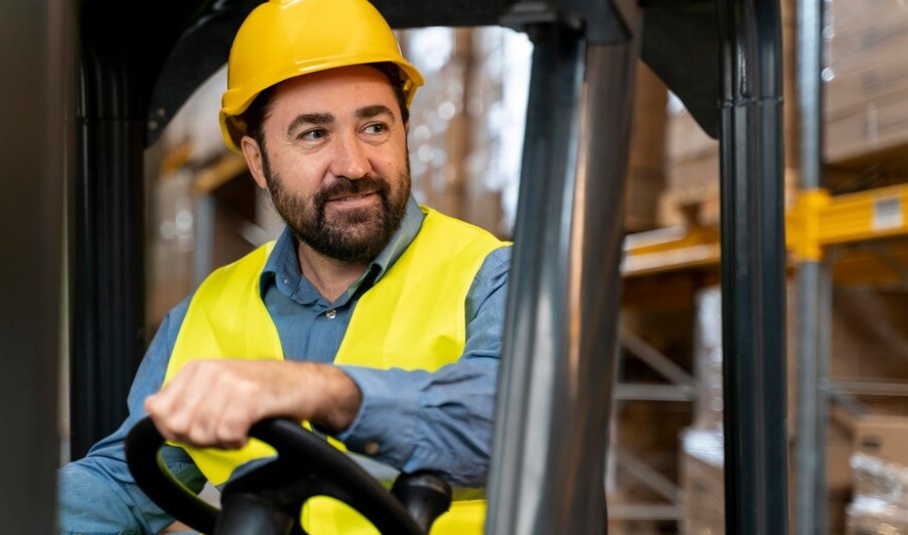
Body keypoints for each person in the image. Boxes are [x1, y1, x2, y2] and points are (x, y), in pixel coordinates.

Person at [56, 0, 511, 533]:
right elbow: (124, 486)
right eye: (314, 134)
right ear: (257, 161)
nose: (353, 164)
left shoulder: (491, 275)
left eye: (375, 127)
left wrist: (323, 391)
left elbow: (515, 420)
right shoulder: (207, 310)